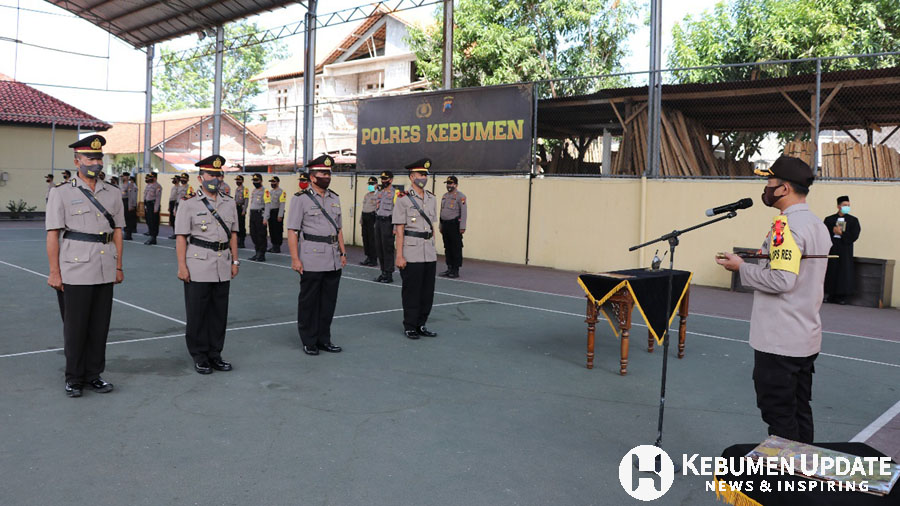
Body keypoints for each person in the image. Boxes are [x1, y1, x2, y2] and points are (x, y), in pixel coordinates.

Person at [715, 156, 831, 443]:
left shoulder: (786, 227)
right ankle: (804, 474)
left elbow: (782, 281)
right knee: (799, 409)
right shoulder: (816, 224)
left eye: (769, 184)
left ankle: (788, 480)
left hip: (780, 339)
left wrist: (741, 268)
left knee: (779, 415)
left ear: (785, 189)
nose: (766, 190)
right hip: (804, 334)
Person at [45, 134, 125, 397]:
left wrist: (118, 266)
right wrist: (55, 272)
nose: (95, 162)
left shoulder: (112, 192)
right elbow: (53, 234)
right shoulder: (61, 193)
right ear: (77, 160)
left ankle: (94, 374)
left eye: (99, 157)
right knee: (75, 326)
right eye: (90, 157)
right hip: (75, 269)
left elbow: (118, 233)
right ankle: (74, 377)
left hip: (104, 266)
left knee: (99, 326)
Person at [174, 155, 239, 374]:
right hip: (198, 264)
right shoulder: (188, 204)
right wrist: (182, 266)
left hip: (223, 264)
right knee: (198, 313)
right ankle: (200, 355)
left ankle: (215, 354)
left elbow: (234, 235)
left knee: (219, 313)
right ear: (201, 177)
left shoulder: (229, 203)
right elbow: (181, 237)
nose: (215, 178)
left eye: (218, 174)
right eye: (211, 174)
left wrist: (235, 260)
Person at [287, 155, 346, 356]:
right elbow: (292, 231)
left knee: (328, 302)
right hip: (311, 257)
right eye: (322, 173)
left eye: (328, 173)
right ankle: (309, 340)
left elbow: (338, 229)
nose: (326, 176)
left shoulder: (335, 198)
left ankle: (324, 339)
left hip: (333, 258)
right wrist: (295, 258)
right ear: (312, 177)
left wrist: (343, 252)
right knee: (309, 302)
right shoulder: (300, 199)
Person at [393, 158, 439, 340]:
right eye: (421, 174)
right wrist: (399, 256)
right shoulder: (403, 199)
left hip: (428, 251)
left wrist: (434, 247)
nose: (424, 177)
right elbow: (399, 229)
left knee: (427, 292)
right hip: (411, 251)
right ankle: (410, 325)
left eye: (426, 174)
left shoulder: (431, 198)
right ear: (412, 177)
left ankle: (421, 324)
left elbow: (432, 227)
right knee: (412, 291)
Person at [823, 196, 861, 305]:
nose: (847, 207)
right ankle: (830, 294)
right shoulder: (829, 220)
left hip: (845, 249)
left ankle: (842, 296)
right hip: (832, 248)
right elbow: (823, 234)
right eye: (845, 205)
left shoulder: (853, 221)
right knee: (831, 270)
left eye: (848, 206)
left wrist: (842, 234)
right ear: (838, 206)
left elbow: (854, 235)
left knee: (844, 272)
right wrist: (832, 231)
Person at [439, 175, 467, 278]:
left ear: (456, 184)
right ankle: (449, 267)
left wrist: (462, 227)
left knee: (456, 247)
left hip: (454, 225)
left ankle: (455, 270)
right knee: (447, 247)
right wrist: (440, 225)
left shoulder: (461, 196)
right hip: (445, 225)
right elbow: (441, 211)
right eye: (447, 183)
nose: (449, 185)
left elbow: (464, 212)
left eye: (451, 183)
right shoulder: (445, 196)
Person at [374, 171, 397, 282]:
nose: (383, 181)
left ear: (391, 180)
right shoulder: (380, 192)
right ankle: (383, 272)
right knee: (379, 248)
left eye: (385, 179)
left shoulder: (395, 193)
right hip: (378, 221)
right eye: (382, 179)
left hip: (388, 222)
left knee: (388, 248)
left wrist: (395, 228)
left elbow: (397, 212)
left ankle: (389, 274)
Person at [359, 176, 379, 266]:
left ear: (376, 184)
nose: (370, 186)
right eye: (369, 184)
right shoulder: (367, 195)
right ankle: (368, 257)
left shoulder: (379, 195)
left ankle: (373, 259)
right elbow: (363, 208)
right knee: (365, 238)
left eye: (372, 184)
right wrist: (361, 219)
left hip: (372, 218)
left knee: (372, 239)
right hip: (365, 217)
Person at [248, 173, 267, 261]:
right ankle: (257, 252)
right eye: (254, 181)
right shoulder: (254, 191)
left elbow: (268, 205)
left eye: (257, 180)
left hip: (260, 215)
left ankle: (261, 254)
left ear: (261, 181)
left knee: (261, 235)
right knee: (253, 234)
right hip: (253, 215)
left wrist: (265, 218)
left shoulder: (265, 191)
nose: (255, 182)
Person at [264, 176, 286, 253]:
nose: (272, 183)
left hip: (277, 212)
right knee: (271, 230)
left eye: (274, 182)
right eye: (271, 182)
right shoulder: (270, 192)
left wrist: (280, 215)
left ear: (278, 182)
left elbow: (282, 204)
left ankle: (277, 246)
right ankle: (273, 245)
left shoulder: (281, 192)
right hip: (271, 212)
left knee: (278, 230)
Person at [143, 171, 162, 245]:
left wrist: (156, 208)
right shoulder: (149, 185)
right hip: (148, 205)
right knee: (149, 221)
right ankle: (151, 235)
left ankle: (153, 237)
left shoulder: (158, 186)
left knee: (154, 222)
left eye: (152, 177)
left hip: (153, 205)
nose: (150, 178)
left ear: (155, 178)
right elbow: (145, 196)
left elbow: (158, 198)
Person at [121, 173, 138, 240]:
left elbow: (132, 196)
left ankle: (128, 234)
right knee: (124, 218)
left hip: (127, 202)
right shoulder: (122, 185)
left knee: (128, 219)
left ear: (127, 177)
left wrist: (131, 205)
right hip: (123, 202)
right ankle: (125, 232)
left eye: (123, 176)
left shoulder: (130, 185)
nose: (122, 178)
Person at [234, 175, 248, 248]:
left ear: (242, 181)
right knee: (237, 224)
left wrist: (244, 210)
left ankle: (242, 241)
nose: (237, 182)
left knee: (242, 225)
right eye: (237, 180)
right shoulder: (237, 189)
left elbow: (246, 200)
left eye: (239, 180)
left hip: (241, 208)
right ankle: (238, 240)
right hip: (236, 208)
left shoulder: (245, 189)